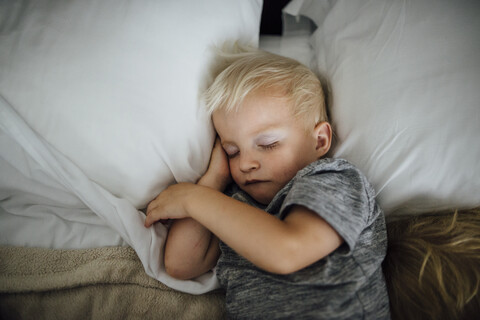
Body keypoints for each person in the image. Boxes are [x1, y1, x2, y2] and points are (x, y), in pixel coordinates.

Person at [145, 47, 390, 319]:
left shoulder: (334, 179)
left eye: (267, 144)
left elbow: (287, 251)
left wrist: (193, 199)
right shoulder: (235, 205)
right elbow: (181, 264)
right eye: (232, 151)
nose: (245, 163)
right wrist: (213, 180)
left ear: (319, 140)